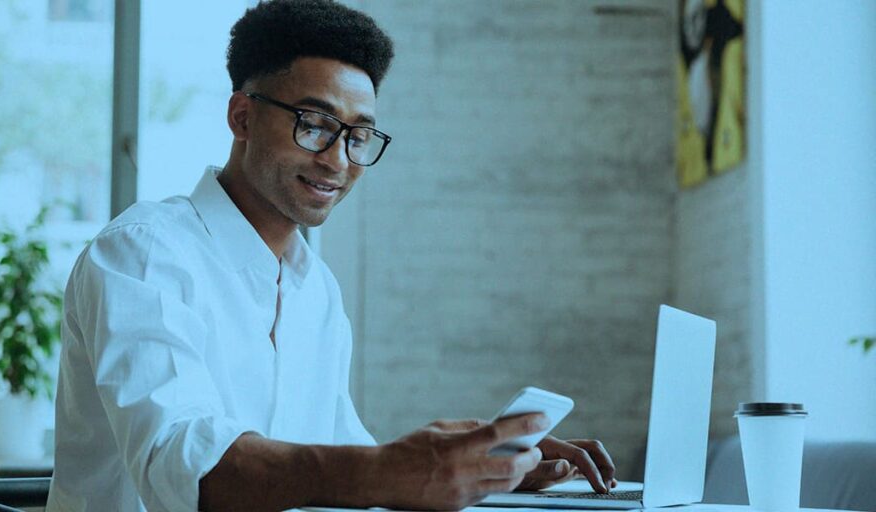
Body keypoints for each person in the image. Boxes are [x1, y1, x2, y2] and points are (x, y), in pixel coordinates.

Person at [47, 1, 617, 510]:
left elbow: (344, 462)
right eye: (315, 124)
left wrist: (483, 466)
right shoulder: (143, 253)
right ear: (242, 117)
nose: (338, 161)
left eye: (358, 136)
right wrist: (386, 471)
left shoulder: (313, 288)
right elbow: (187, 467)